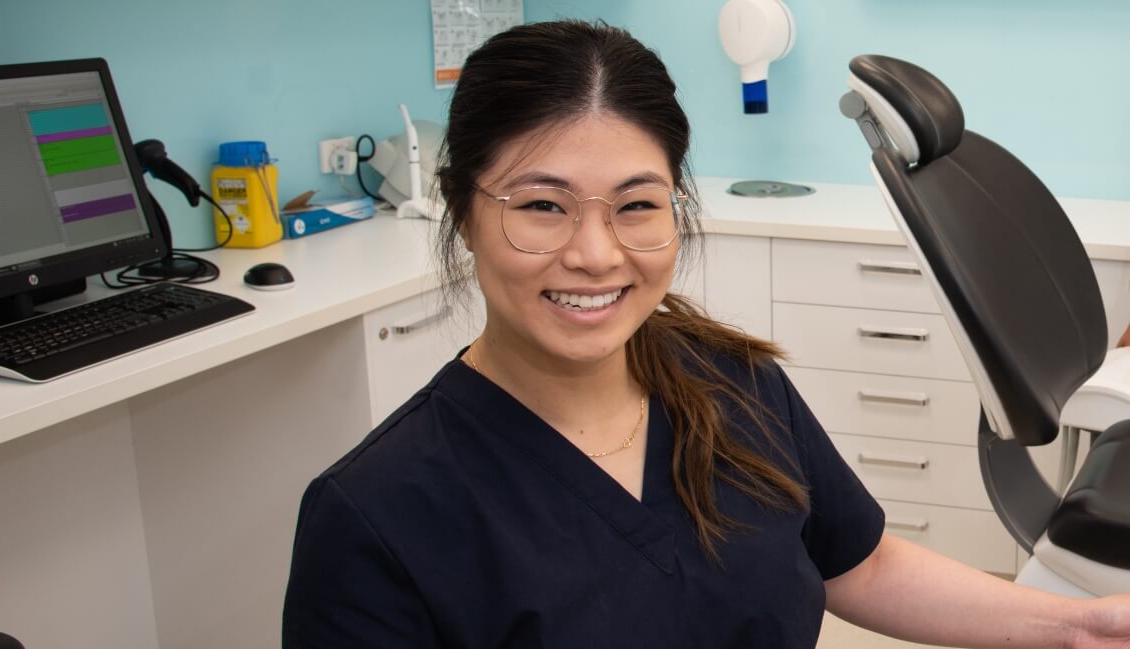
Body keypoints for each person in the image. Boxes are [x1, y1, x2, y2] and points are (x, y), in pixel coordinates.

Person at [282, 20, 1130, 648]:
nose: (594, 253)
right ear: (463, 211)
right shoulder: (374, 517)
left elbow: (860, 565)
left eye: (637, 204)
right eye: (541, 205)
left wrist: (1078, 625)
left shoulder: (730, 382)